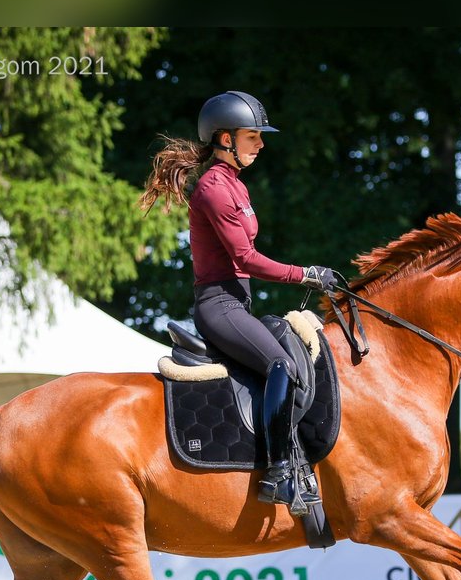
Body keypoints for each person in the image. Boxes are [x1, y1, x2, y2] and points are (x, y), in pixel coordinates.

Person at [140, 91, 337, 515]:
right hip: (219, 306)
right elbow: (245, 259)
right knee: (280, 366)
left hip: (237, 304)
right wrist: (305, 274)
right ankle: (279, 471)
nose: (261, 144)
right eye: (253, 136)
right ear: (225, 139)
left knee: (291, 358)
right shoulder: (214, 188)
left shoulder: (234, 184)